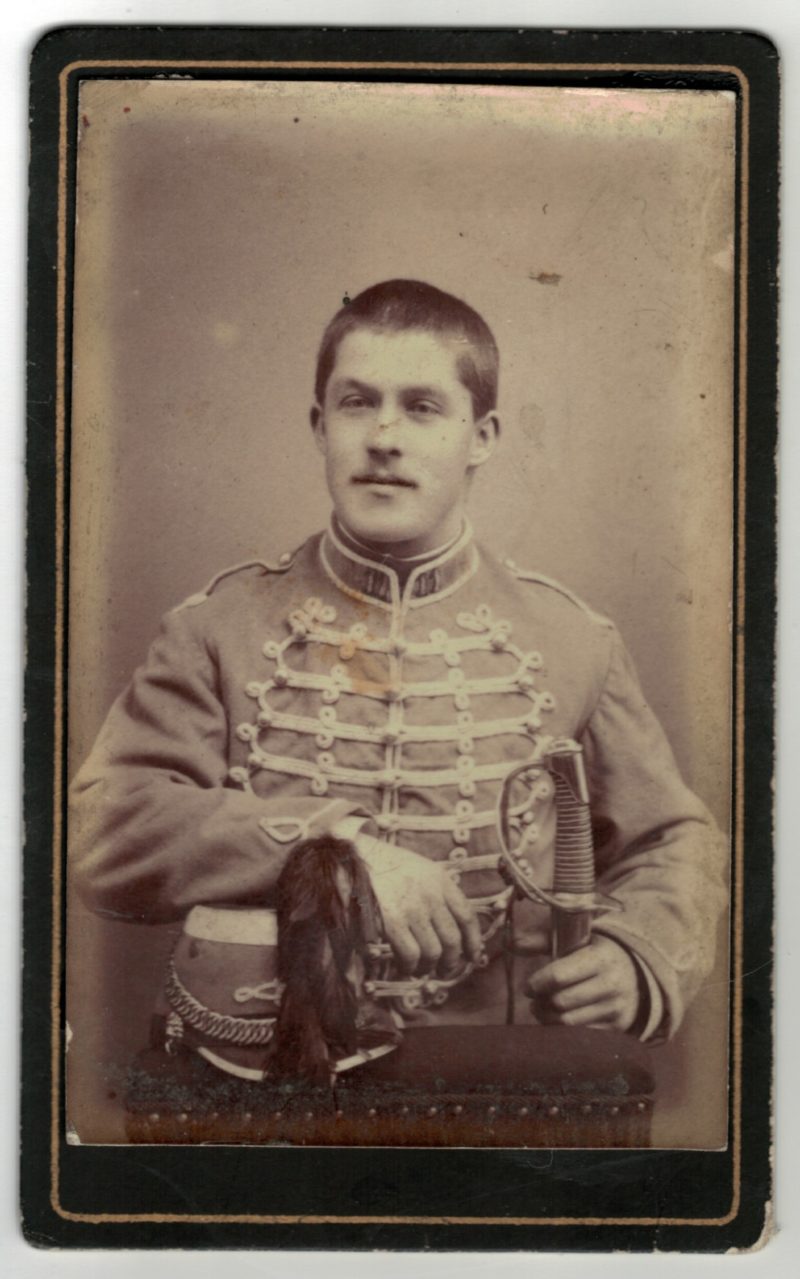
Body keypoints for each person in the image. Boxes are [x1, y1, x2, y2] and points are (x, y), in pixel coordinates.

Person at [70, 279, 727, 1085]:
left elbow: (674, 840)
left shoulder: (572, 639)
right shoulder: (218, 628)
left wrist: (638, 953)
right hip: (259, 1073)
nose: (384, 437)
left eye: (422, 407)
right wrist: (332, 846)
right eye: (356, 403)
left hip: (497, 1079)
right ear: (320, 427)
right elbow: (102, 831)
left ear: (480, 436)